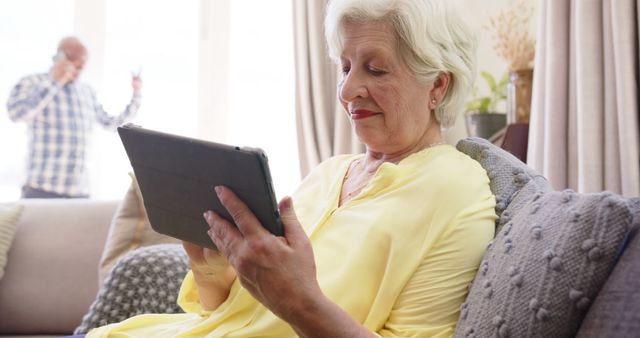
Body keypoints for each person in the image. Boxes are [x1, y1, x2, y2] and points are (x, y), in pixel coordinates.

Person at [87, 0, 495, 336]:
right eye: (346, 66)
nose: (348, 90)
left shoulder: (457, 192)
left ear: (437, 86)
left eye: (376, 69)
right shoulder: (329, 173)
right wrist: (215, 271)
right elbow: (231, 314)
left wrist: (298, 301)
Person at [6, 36, 142, 198]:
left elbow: (112, 124)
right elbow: (17, 114)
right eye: (74, 59)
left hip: (80, 193)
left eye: (83, 61)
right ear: (59, 57)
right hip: (40, 190)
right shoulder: (33, 82)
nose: (80, 65)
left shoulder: (87, 92)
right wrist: (56, 81)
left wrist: (136, 94)